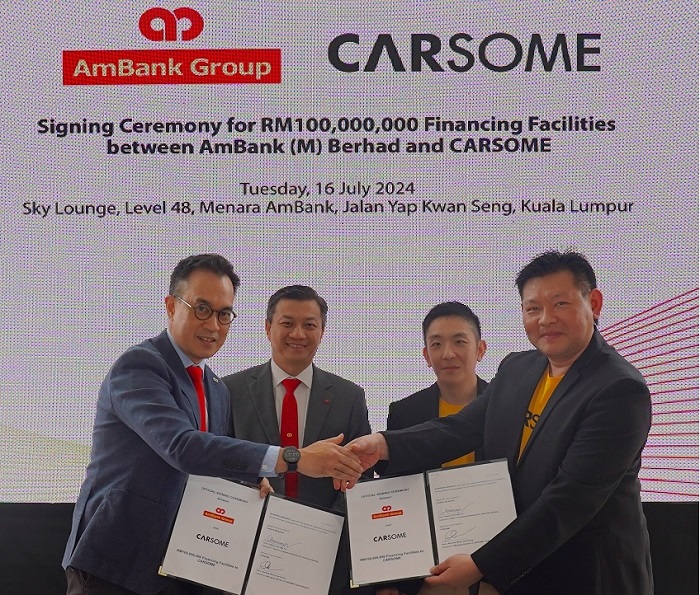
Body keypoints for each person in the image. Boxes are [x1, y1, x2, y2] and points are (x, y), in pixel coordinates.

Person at [348, 250, 653, 595]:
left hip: (585, 575)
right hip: (522, 571)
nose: (545, 319)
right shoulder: (518, 368)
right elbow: (461, 428)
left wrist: (481, 565)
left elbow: (567, 501)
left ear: (594, 303)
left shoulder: (618, 390)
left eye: (560, 304)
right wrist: (384, 444)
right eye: (533, 308)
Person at [63, 255, 362, 595]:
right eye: (201, 308)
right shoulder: (141, 365)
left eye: (224, 314)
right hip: (119, 563)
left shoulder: (216, 388)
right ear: (172, 306)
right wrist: (294, 458)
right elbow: (183, 447)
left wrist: (250, 481)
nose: (213, 325)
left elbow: (209, 468)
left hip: (182, 566)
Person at [223, 285, 373, 595]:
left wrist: (325, 535)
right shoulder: (231, 391)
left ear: (322, 331)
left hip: (322, 560)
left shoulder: (349, 397)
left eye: (309, 324)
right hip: (245, 554)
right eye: (287, 323)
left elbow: (362, 478)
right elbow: (219, 463)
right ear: (268, 328)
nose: (298, 334)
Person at [376, 301, 488, 595]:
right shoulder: (404, 413)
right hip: (429, 570)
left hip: (494, 566)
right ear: (426, 355)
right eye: (436, 344)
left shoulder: (510, 406)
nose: (448, 353)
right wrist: (390, 577)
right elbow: (396, 494)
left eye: (459, 341)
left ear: (481, 349)